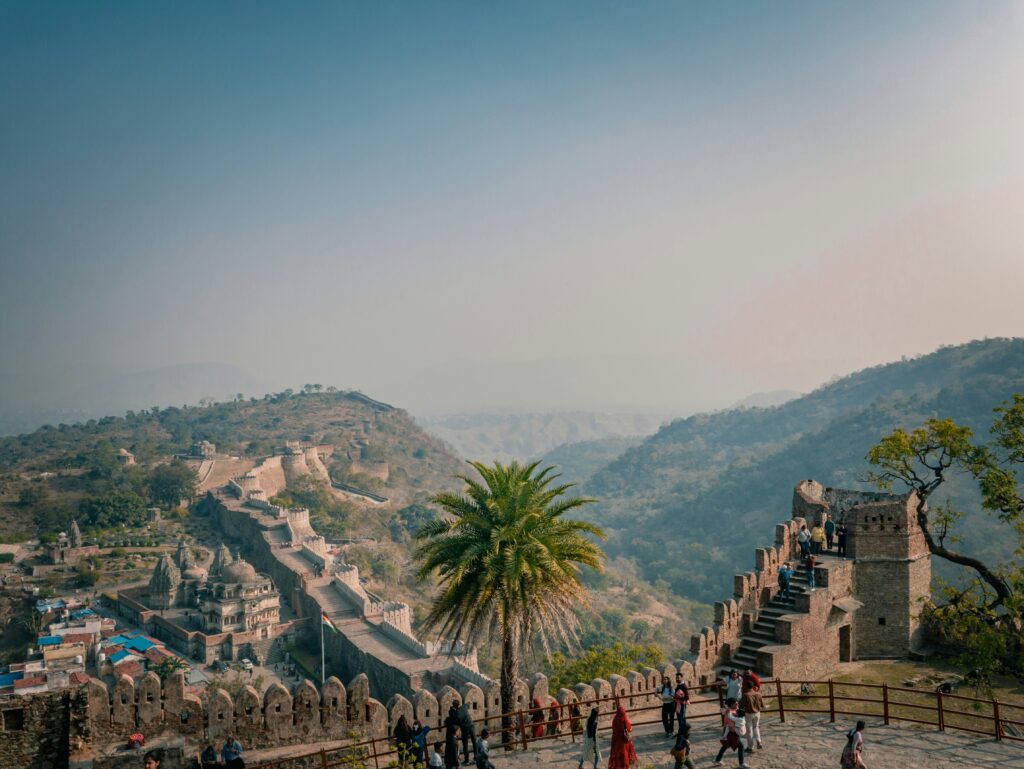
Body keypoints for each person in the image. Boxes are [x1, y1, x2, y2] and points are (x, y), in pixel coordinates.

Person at [712, 699, 746, 767]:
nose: (737, 705)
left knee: (725, 745)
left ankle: (717, 759)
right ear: (731, 705)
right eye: (736, 704)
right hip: (732, 732)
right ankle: (741, 764)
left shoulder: (731, 711)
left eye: (737, 703)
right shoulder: (730, 712)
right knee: (741, 746)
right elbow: (731, 726)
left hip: (729, 732)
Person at [607, 704, 637, 769]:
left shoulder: (615, 719)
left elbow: (613, 728)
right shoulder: (624, 718)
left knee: (616, 754)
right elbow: (629, 728)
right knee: (624, 755)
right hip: (623, 741)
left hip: (615, 740)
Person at [740, 685, 764, 751]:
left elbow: (741, 705)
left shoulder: (746, 695)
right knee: (756, 727)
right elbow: (762, 704)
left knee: (749, 730)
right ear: (753, 687)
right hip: (757, 713)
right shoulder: (759, 694)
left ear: (746, 687)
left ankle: (750, 747)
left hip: (749, 713)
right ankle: (759, 741)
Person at [456, 699, 477, 764]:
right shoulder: (464, 707)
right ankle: (476, 758)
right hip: (471, 726)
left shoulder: (456, 713)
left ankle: (467, 760)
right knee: (474, 742)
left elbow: (456, 722)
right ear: (459, 704)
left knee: (465, 744)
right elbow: (468, 704)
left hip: (464, 728)